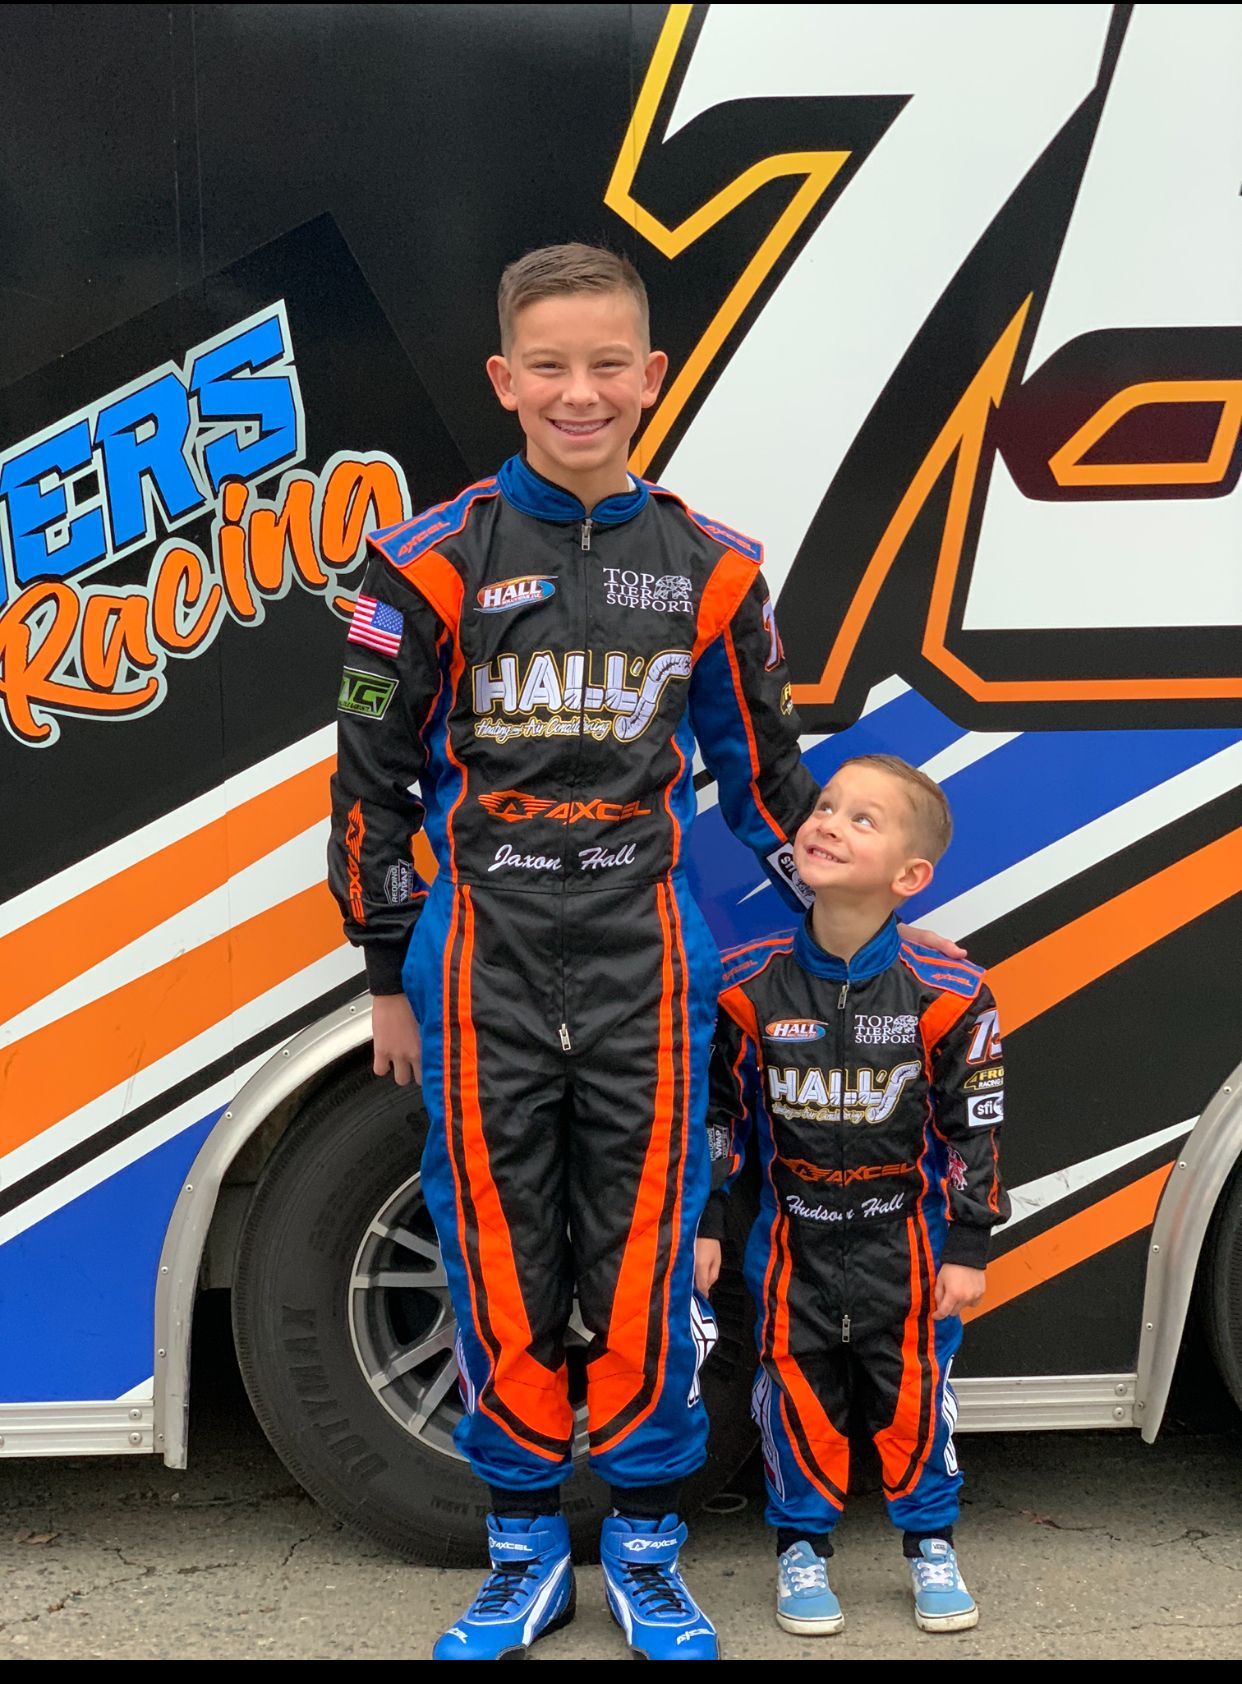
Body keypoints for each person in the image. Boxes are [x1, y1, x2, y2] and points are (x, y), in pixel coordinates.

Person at [327, 245, 961, 1662]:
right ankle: (518, 1557)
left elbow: (766, 782)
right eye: (548, 365)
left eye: (608, 363)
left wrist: (869, 934)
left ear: (651, 377)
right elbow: (366, 790)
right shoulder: (423, 562)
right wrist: (385, 974)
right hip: (477, 958)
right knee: (498, 1257)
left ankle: (648, 1555)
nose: (579, 391)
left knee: (644, 1265)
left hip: (645, 959)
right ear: (503, 381)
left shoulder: (714, 567)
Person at [696, 754, 1008, 1639]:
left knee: (913, 1393)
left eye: (862, 820)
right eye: (825, 808)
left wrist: (970, 1244)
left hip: (903, 1238)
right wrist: (711, 1220)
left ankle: (931, 1545)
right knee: (794, 1392)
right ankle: (801, 1548)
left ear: (910, 877)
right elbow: (715, 1115)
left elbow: (976, 1125)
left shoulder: (951, 992)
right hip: (786, 1238)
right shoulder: (744, 983)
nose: (829, 822)